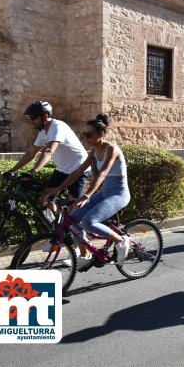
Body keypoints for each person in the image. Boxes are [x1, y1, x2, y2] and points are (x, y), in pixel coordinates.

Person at [50, 114, 130, 272]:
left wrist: (87, 195)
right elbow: (77, 172)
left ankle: (121, 240)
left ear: (101, 134)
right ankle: (85, 254)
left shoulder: (111, 149)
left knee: (89, 222)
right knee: (72, 221)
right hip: (105, 192)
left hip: (119, 194)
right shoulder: (94, 152)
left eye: (89, 134)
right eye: (83, 134)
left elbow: (102, 174)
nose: (85, 138)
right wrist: (57, 189)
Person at [4, 100, 90, 212]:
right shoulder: (43, 132)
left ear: (44, 116)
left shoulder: (57, 127)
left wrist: (33, 171)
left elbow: (49, 151)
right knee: (46, 198)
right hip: (62, 169)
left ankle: (79, 227)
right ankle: (57, 227)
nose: (32, 121)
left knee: (74, 206)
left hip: (79, 168)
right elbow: (31, 153)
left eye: (34, 118)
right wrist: (12, 170)